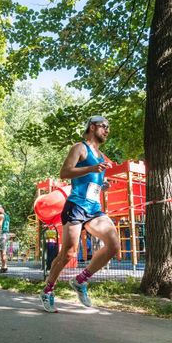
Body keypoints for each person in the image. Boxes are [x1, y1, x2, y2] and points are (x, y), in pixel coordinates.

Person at [40, 115, 120, 313]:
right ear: (92, 127)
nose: (107, 130)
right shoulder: (80, 148)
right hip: (76, 206)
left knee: (113, 245)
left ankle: (81, 280)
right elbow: (65, 172)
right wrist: (91, 168)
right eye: (104, 126)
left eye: (108, 127)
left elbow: (92, 181)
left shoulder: (101, 156)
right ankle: (48, 290)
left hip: (94, 209)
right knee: (68, 254)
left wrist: (103, 184)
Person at [0, 204, 10, 273]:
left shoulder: (1, 215)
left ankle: (4, 267)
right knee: (4, 251)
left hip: (2, 234)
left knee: (2, 251)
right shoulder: (7, 216)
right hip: (6, 234)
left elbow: (0, 225)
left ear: (2, 208)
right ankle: (5, 266)